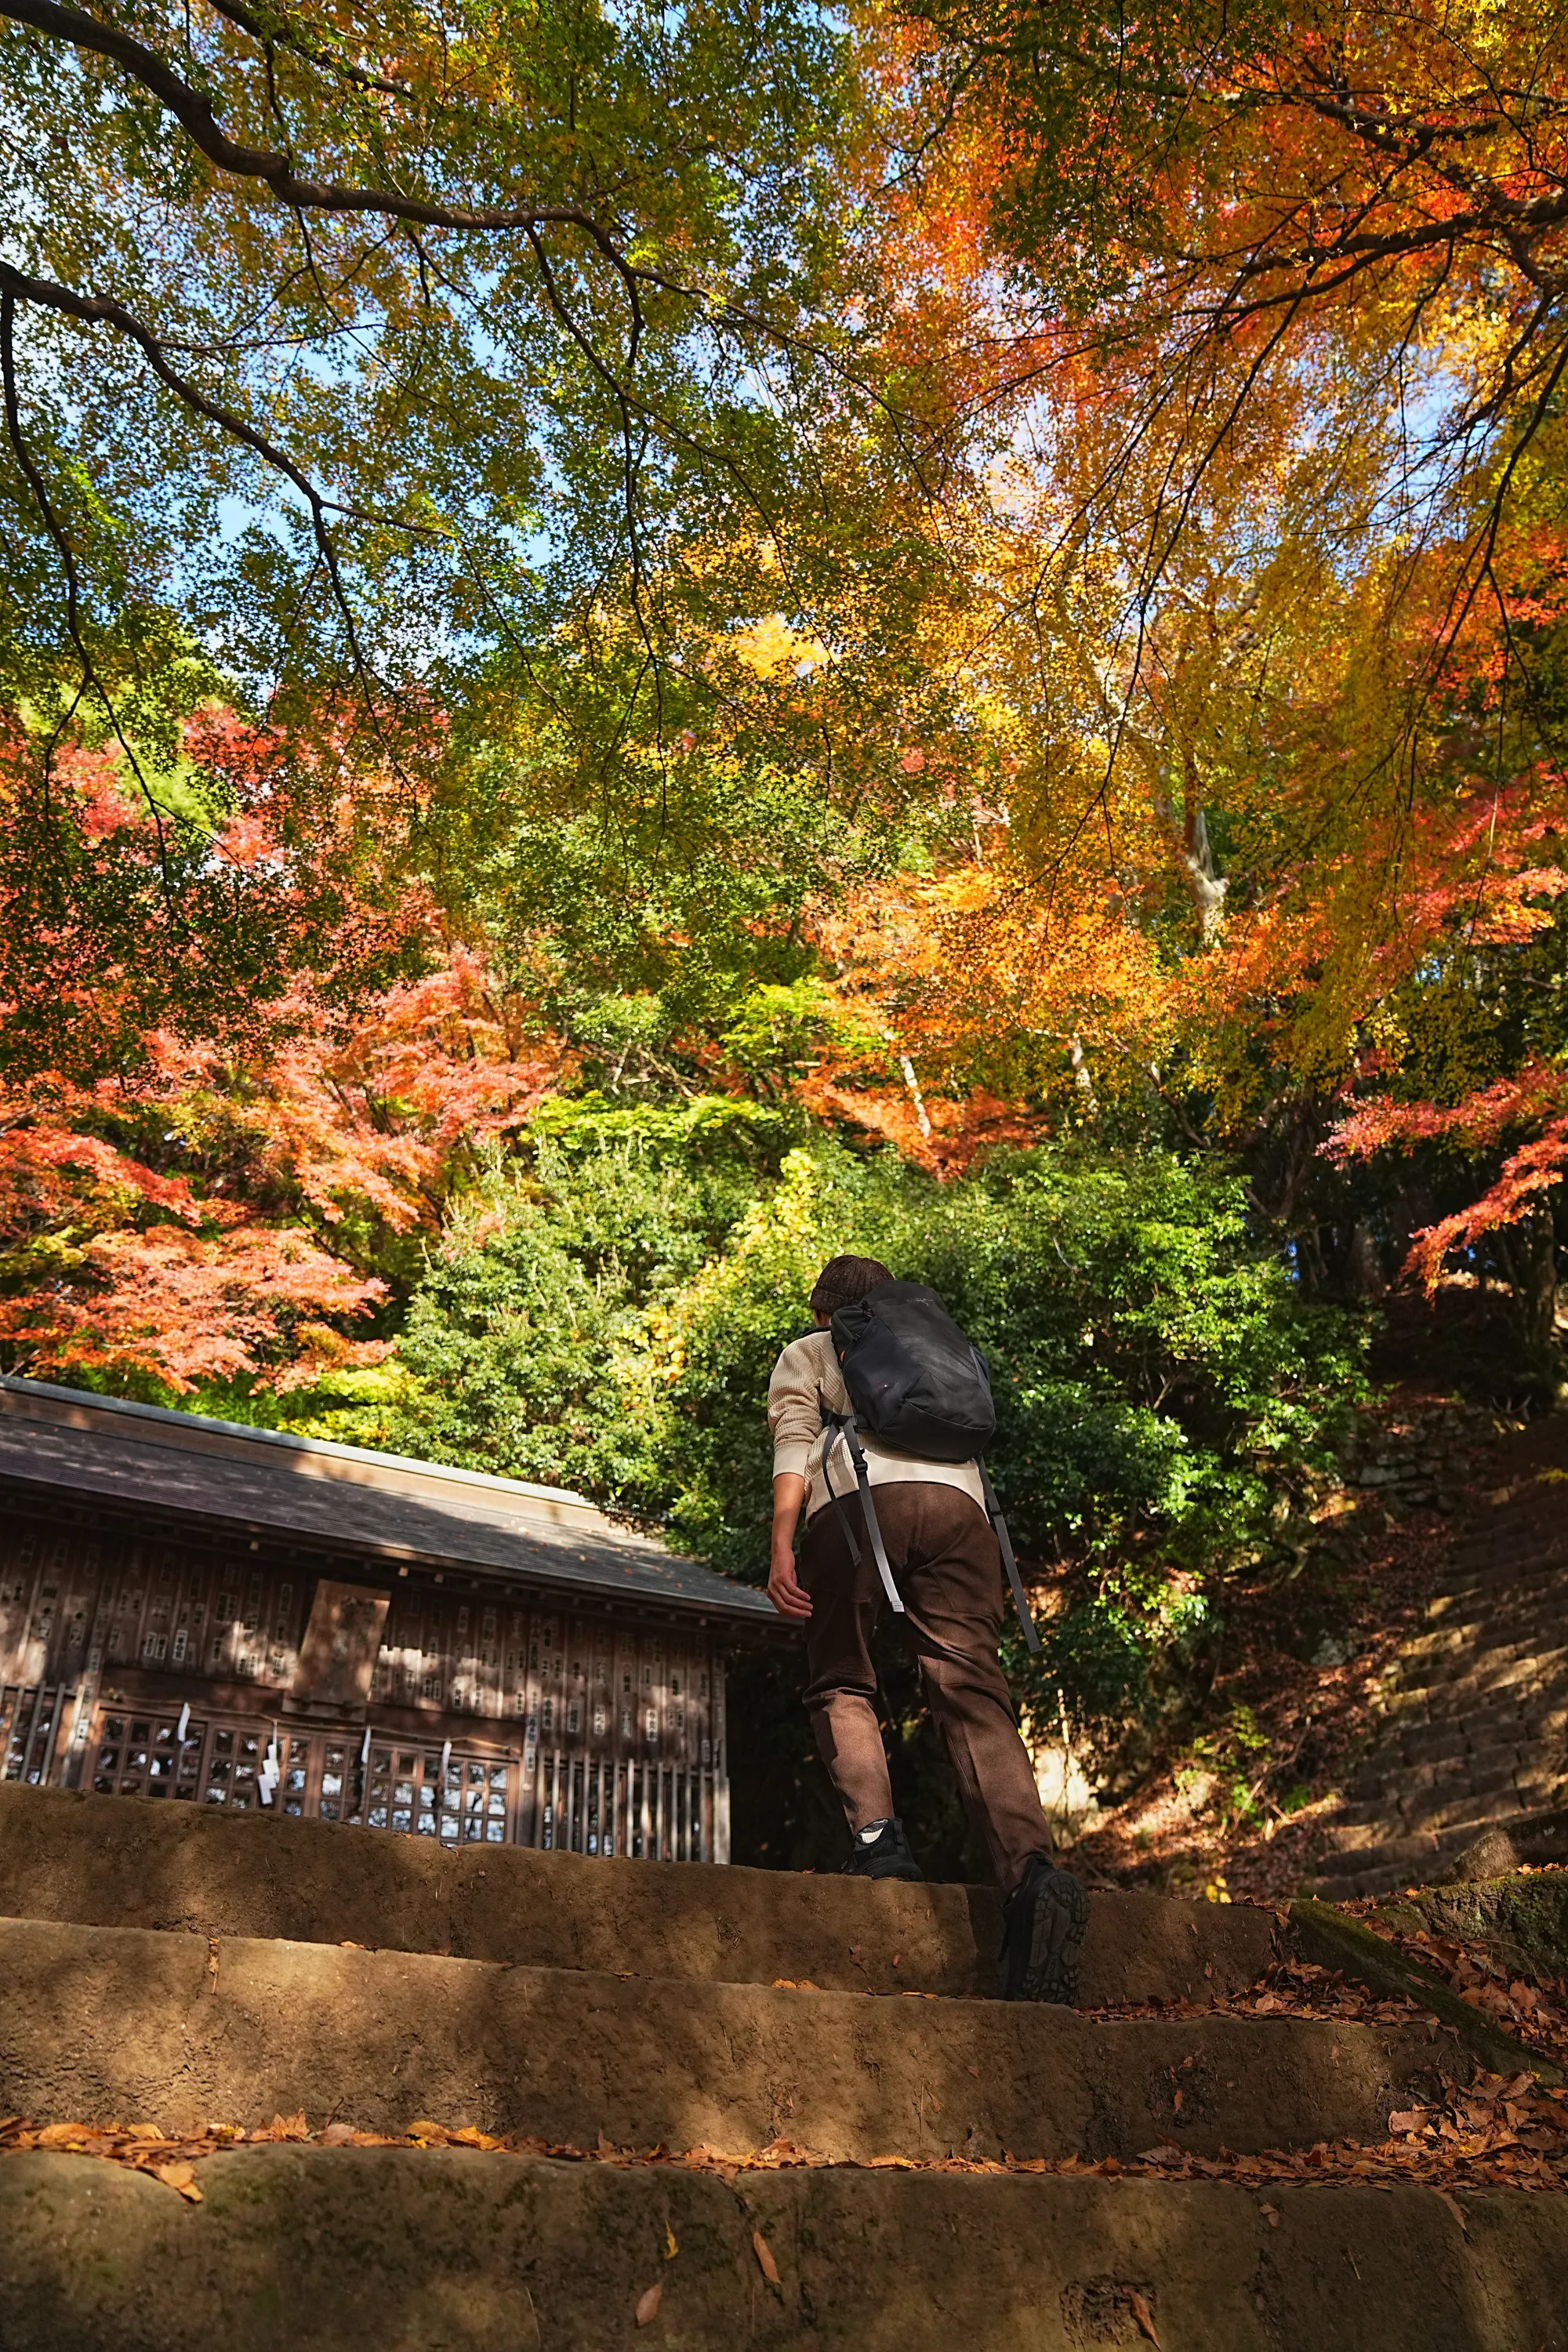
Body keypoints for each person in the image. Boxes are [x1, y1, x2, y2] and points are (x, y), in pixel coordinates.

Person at [766, 1252, 1088, 2003]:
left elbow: (792, 1451)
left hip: (856, 1505)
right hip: (963, 1515)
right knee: (971, 1689)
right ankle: (1031, 1873)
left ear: (825, 1310)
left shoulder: (813, 1351)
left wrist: (782, 1546)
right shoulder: (939, 1351)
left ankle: (879, 1846)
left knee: (842, 1674)